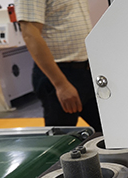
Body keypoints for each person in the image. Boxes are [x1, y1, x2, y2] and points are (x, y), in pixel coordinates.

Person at [16, 0, 102, 132]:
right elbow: (30, 33)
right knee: (62, 137)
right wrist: (61, 84)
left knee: (109, 129)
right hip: (60, 73)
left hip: (86, 71)